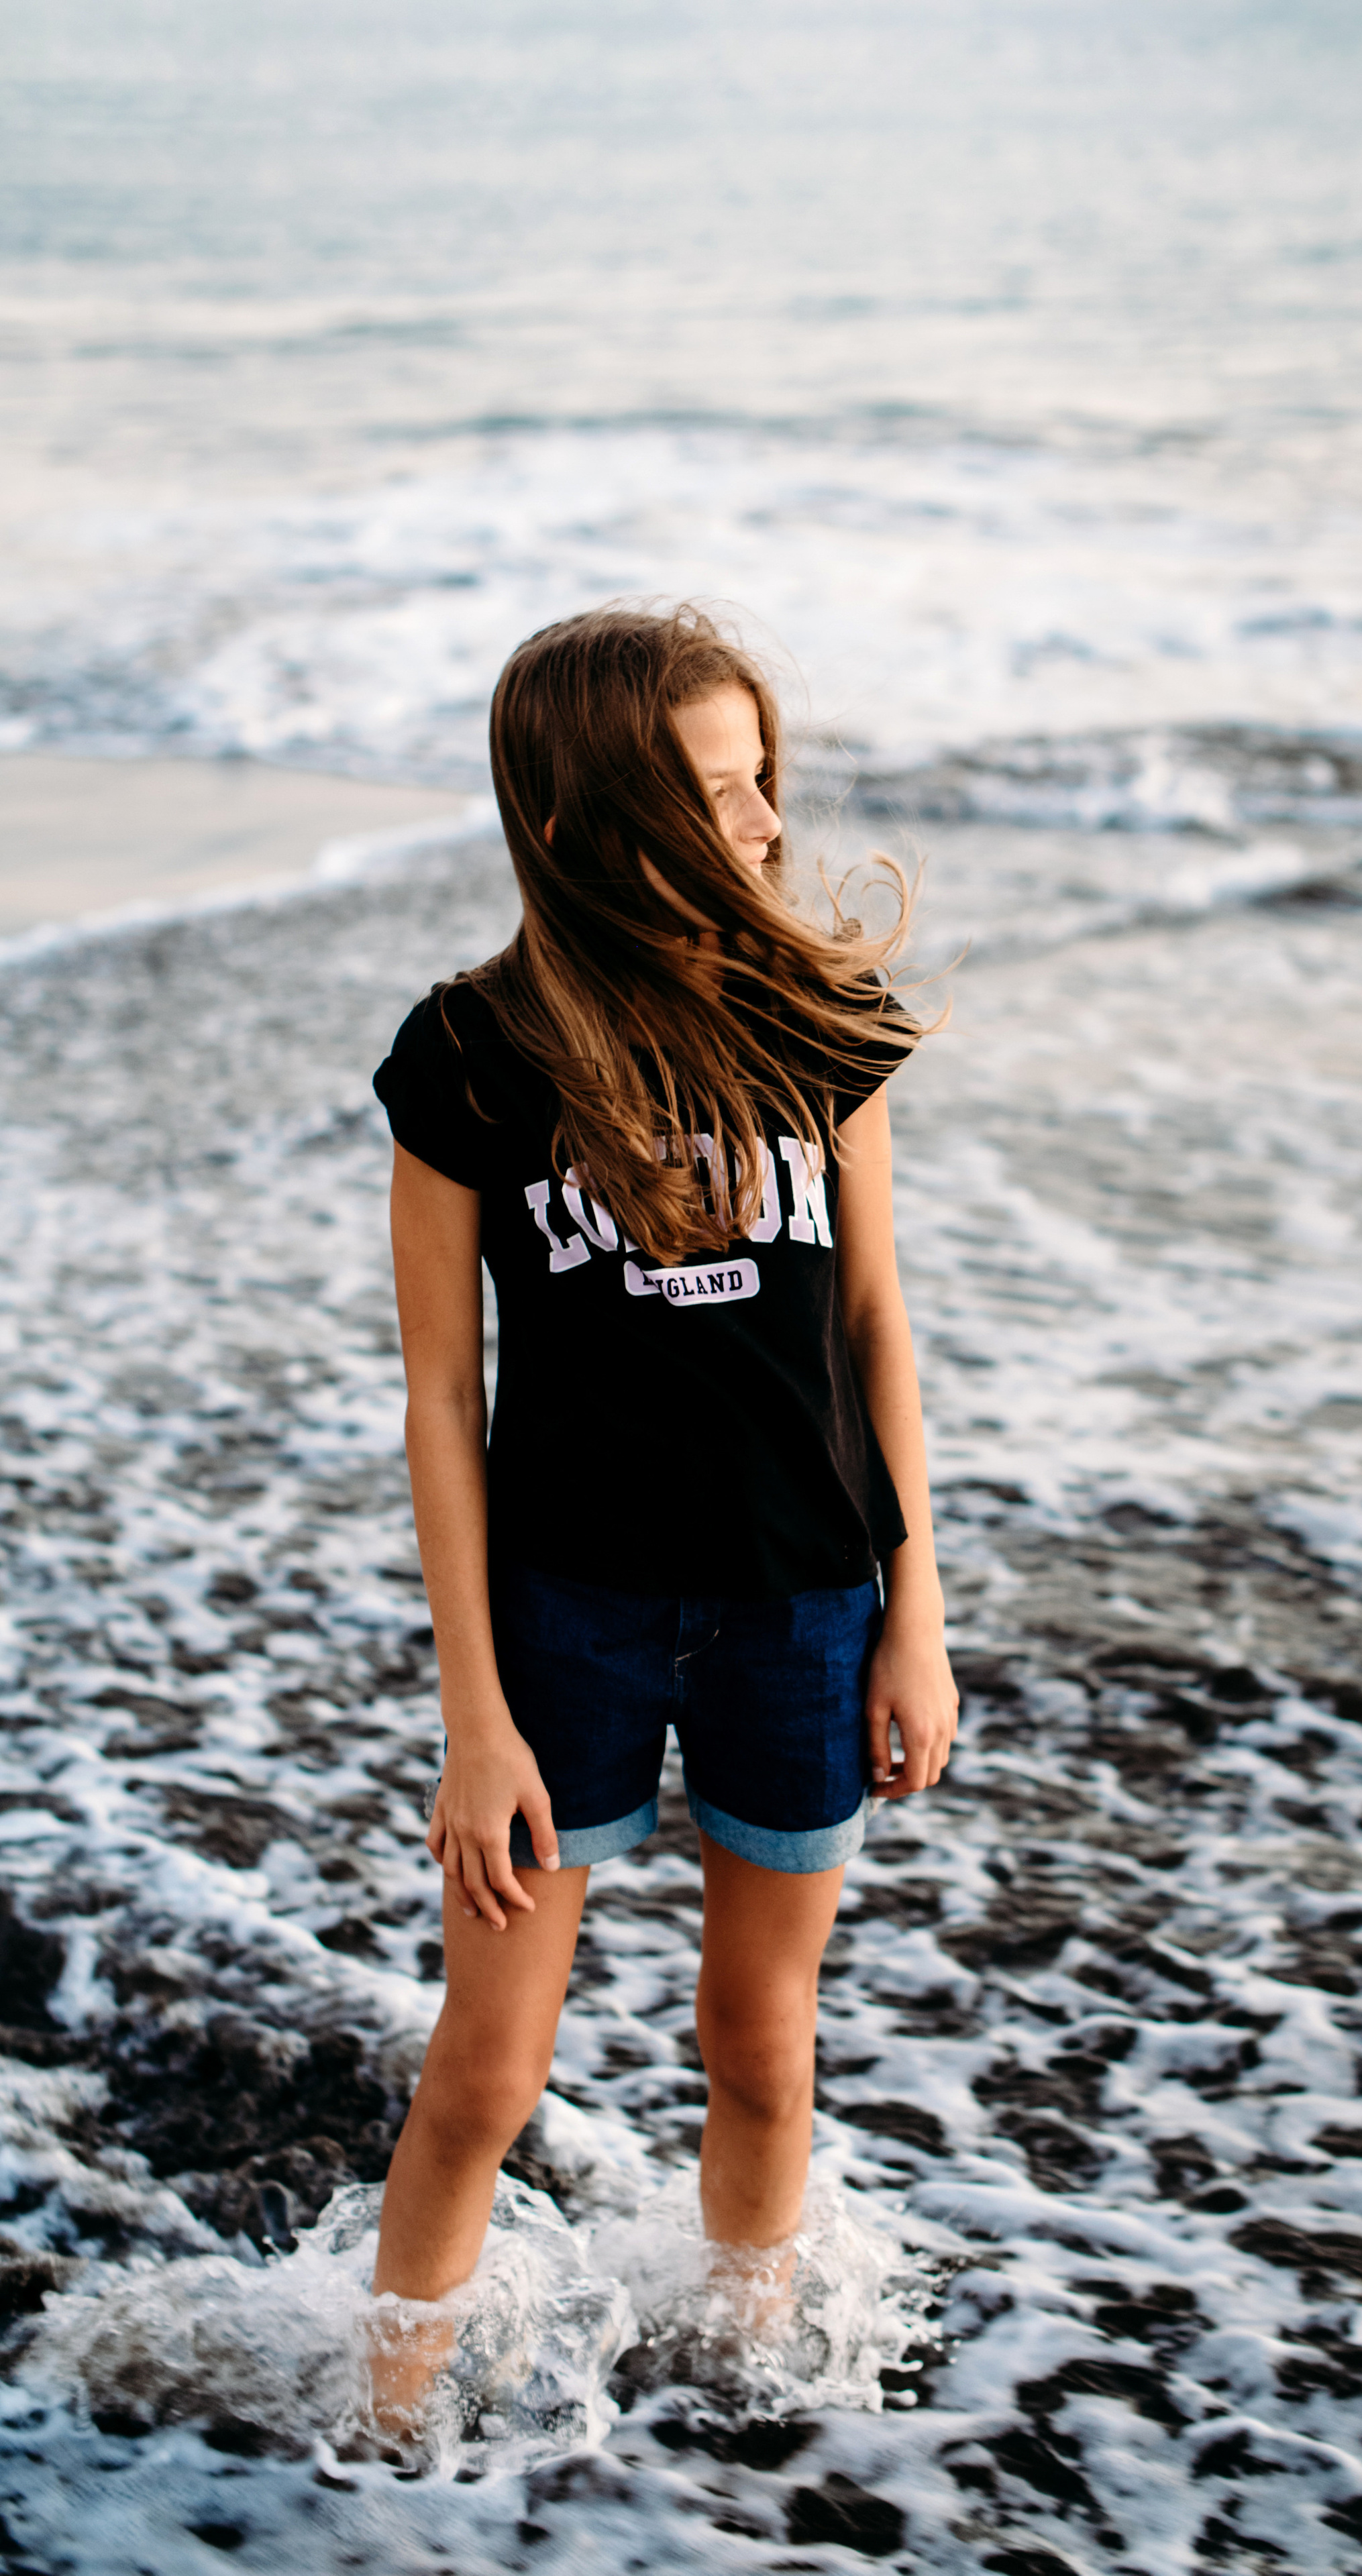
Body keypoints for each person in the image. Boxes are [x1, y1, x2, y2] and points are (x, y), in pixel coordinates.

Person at [365, 602, 958, 2425]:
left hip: (804, 1608)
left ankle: (750, 2399)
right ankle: (377, 2440)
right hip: (569, 1622)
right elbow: (443, 1406)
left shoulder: (816, 1017)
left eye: (764, 779)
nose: (769, 824)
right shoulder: (469, 1055)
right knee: (486, 2072)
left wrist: (917, 1611)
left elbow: (871, 1321)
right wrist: (476, 1718)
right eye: (721, 792)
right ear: (583, 820)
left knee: (762, 2054)